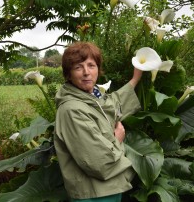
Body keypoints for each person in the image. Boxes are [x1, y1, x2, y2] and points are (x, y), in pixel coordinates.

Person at [54, 41, 142, 202]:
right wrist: (117, 140)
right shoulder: (71, 110)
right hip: (93, 195)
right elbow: (98, 162)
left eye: (91, 65)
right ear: (68, 74)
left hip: (108, 189)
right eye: (78, 67)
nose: (86, 72)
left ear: (98, 70)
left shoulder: (92, 98)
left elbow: (112, 104)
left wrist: (135, 79)